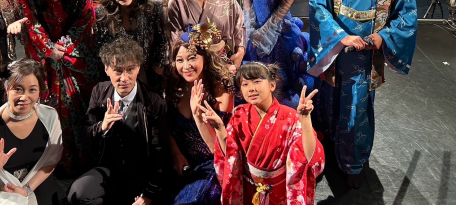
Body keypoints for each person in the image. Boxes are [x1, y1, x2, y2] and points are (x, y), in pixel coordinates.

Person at [308, 0, 418, 188]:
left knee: (357, 111)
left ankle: (353, 163)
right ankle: (326, 153)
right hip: (336, 53)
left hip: (367, 57)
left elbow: (407, 15)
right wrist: (339, 37)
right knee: (329, 103)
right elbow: (318, 7)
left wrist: (384, 37)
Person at [16, 0, 99, 174]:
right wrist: (48, 48)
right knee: (49, 106)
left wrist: (64, 45)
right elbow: (28, 14)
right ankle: (58, 162)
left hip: (77, 49)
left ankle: (90, 159)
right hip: (45, 54)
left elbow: (87, 12)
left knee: (83, 103)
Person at [67, 38, 166, 205]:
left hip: (141, 174)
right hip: (108, 170)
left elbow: (160, 152)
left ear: (138, 68)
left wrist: (149, 193)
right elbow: (85, 136)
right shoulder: (100, 92)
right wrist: (102, 126)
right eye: (118, 71)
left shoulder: (154, 101)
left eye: (130, 69)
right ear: (107, 69)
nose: (124, 78)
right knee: (77, 194)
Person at [212, 63, 325, 205]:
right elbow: (230, 154)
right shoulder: (239, 115)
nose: (251, 88)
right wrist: (219, 128)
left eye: (257, 81)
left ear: (272, 85)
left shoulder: (290, 118)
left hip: (279, 190)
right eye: (245, 84)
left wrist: (305, 119)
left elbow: (308, 158)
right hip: (248, 187)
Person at [0, 59, 62, 205]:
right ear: (6, 87)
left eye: (32, 90)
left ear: (39, 91)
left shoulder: (50, 117)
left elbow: (51, 160)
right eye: (18, 89)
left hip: (35, 180)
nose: (24, 97)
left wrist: (26, 190)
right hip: (0, 184)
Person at [164, 23, 235, 204]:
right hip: (180, 163)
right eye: (180, 60)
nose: (186, 66)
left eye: (192, 58)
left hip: (212, 165)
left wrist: (198, 117)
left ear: (205, 58)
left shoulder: (222, 91)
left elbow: (218, 149)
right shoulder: (174, 88)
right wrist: (175, 153)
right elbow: (165, 127)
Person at [95, 0, 169, 91]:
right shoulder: (102, 13)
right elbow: (102, 49)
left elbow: (162, 40)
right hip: (119, 79)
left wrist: (158, 66)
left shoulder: (153, 7)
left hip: (151, 75)